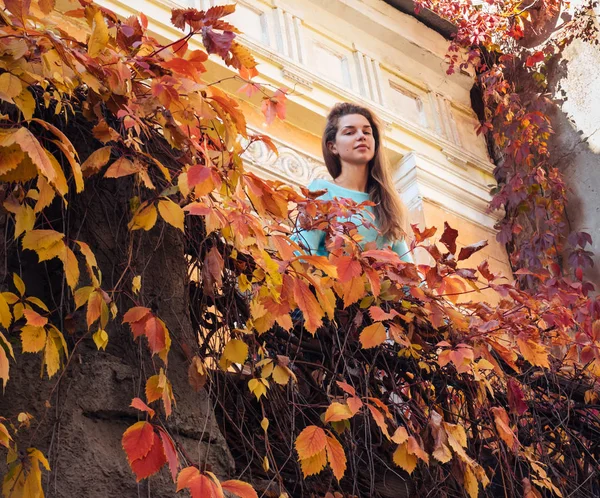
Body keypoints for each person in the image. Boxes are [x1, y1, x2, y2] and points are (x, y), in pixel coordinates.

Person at [294, 102, 413, 263]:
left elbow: (408, 274)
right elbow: (302, 255)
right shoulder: (322, 191)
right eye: (349, 132)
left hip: (375, 287)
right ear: (333, 147)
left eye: (367, 132)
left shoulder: (385, 206)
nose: (361, 136)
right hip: (330, 284)